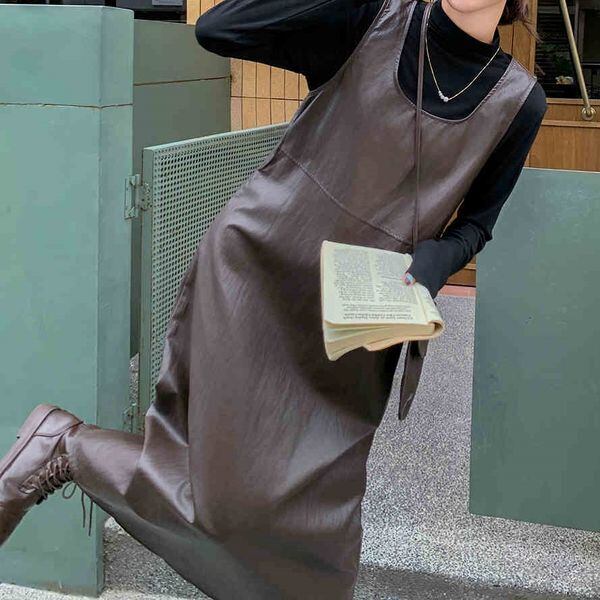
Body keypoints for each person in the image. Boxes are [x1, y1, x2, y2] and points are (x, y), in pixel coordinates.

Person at [0, 0, 546, 598]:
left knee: (320, 524)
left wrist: (436, 261)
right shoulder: (369, 19)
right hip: (259, 275)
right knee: (223, 498)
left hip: (357, 323)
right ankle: (65, 447)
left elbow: (477, 224)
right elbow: (219, 28)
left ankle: (66, 448)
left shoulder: (519, 102)